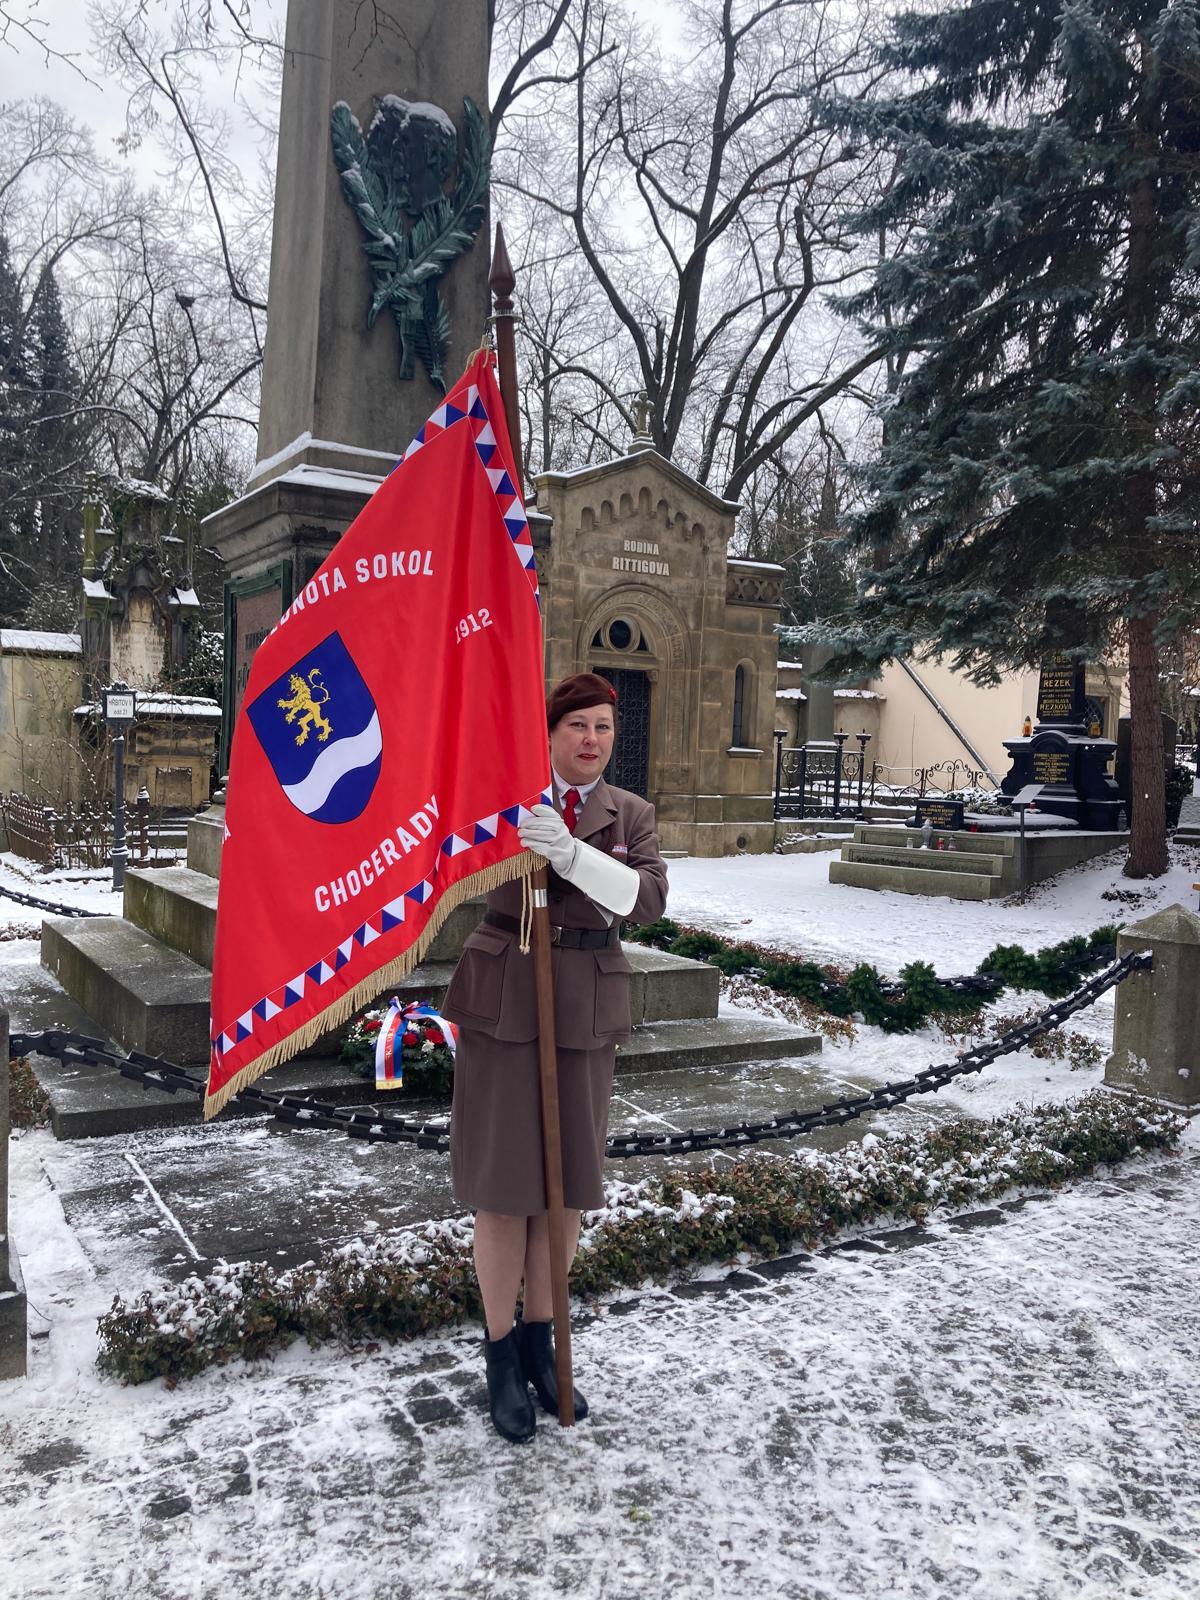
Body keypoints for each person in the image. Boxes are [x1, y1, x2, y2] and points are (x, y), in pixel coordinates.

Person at [442, 672, 668, 1442]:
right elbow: (454, 863)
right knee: (505, 1189)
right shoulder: (504, 801)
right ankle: (501, 1352)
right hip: (509, 993)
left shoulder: (630, 814)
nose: (591, 739)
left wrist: (570, 854)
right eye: (577, 725)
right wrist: (514, 827)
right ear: (548, 736)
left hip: (584, 1004)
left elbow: (645, 900)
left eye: (603, 726)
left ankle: (542, 1342)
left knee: (565, 1187)